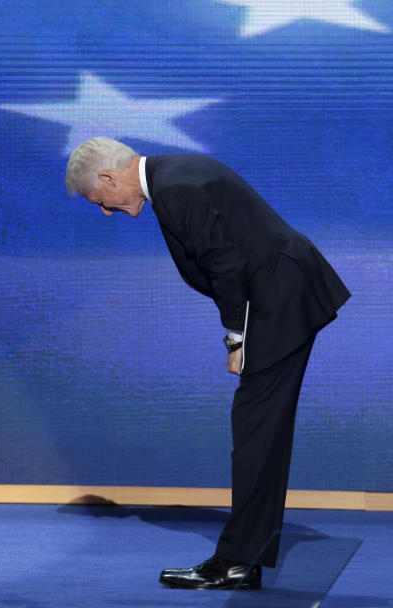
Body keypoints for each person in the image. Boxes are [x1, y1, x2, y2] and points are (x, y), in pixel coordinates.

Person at [65, 137, 349, 590]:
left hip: (278, 298)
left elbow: (226, 264)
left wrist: (236, 339)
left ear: (108, 178)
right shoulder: (170, 174)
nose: (103, 210)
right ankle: (247, 556)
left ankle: (236, 562)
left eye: (98, 200)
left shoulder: (174, 188)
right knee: (263, 432)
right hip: (284, 291)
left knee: (255, 432)